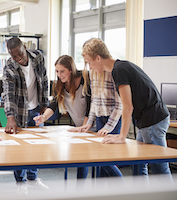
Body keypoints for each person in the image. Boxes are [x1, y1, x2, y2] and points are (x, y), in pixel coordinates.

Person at [82, 38, 171, 176]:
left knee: (159, 168)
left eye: (89, 62)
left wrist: (122, 136)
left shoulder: (119, 71)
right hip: (146, 121)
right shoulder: (121, 66)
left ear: (98, 58)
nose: (90, 67)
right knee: (139, 165)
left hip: (153, 120)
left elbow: (127, 106)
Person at [2, 37, 49, 194]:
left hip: (36, 109)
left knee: (35, 146)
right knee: (19, 149)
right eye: (13, 56)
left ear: (25, 47)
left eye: (20, 54)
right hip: (19, 111)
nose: (18, 59)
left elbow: (44, 80)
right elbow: (7, 93)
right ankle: (20, 183)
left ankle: (33, 179)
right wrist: (10, 117)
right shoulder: (10, 65)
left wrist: (45, 105)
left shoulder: (38, 57)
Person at [33, 55, 91, 178]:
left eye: (62, 71)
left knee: (104, 163)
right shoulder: (60, 85)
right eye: (57, 71)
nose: (59, 74)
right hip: (79, 127)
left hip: (93, 124)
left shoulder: (85, 79)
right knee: (82, 160)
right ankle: (80, 191)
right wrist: (43, 117)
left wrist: (85, 126)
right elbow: (53, 105)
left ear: (71, 69)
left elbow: (90, 107)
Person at [73, 69, 123, 177]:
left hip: (113, 118)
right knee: (101, 161)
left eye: (90, 62)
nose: (89, 66)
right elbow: (94, 100)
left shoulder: (113, 73)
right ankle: (101, 192)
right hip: (100, 118)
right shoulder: (92, 72)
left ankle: (121, 188)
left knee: (108, 161)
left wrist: (108, 127)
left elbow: (120, 105)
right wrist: (89, 122)